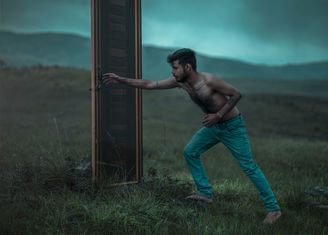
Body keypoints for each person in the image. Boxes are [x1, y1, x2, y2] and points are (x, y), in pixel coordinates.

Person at [102, 48, 282, 224]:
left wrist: (218, 116)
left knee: (248, 166)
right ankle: (205, 193)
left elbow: (236, 94)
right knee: (190, 151)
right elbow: (151, 84)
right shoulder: (181, 82)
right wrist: (121, 80)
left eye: (175, 68)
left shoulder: (209, 81)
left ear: (187, 67)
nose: (172, 72)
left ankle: (273, 209)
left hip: (232, 127)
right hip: (213, 127)